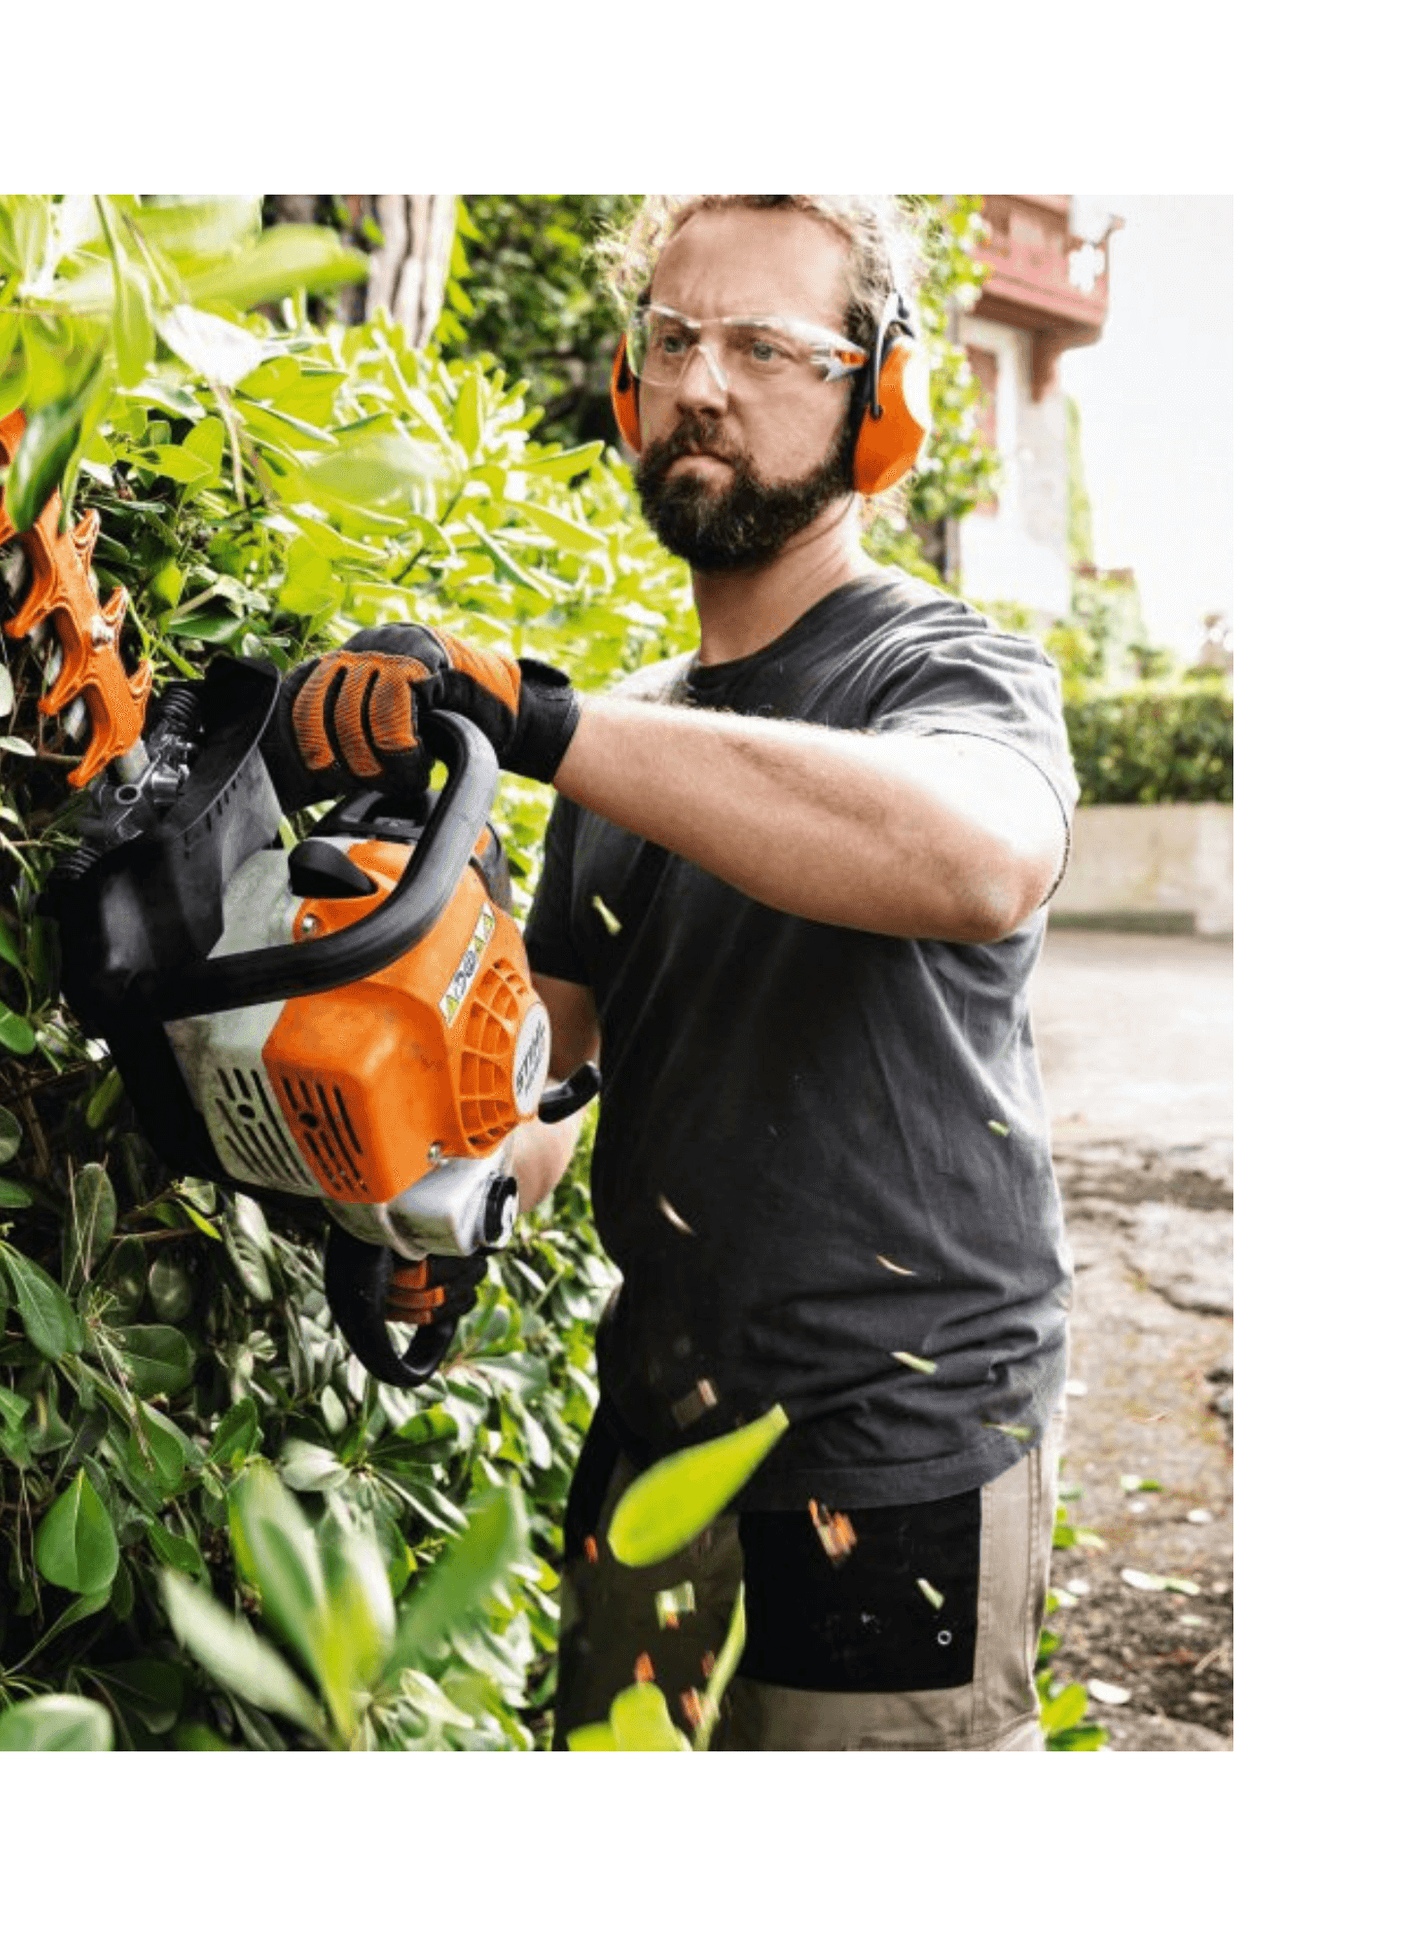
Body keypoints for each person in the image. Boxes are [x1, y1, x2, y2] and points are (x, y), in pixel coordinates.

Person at [264, 195, 1078, 1751]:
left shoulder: (946, 670)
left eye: (767, 346)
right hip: (655, 1422)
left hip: (890, 1440)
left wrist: (541, 720)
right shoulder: (638, 732)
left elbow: (979, 859)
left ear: (880, 395)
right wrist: (442, 1199)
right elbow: (556, 1057)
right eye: (673, 339)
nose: (704, 382)